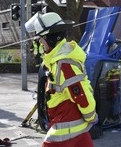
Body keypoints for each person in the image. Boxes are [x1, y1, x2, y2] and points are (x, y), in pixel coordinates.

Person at [25, 12, 98, 147]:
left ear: (51, 38)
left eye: (41, 39)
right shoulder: (56, 60)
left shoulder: (64, 63)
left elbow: (82, 95)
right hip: (72, 126)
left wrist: (92, 117)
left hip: (65, 128)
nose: (40, 43)